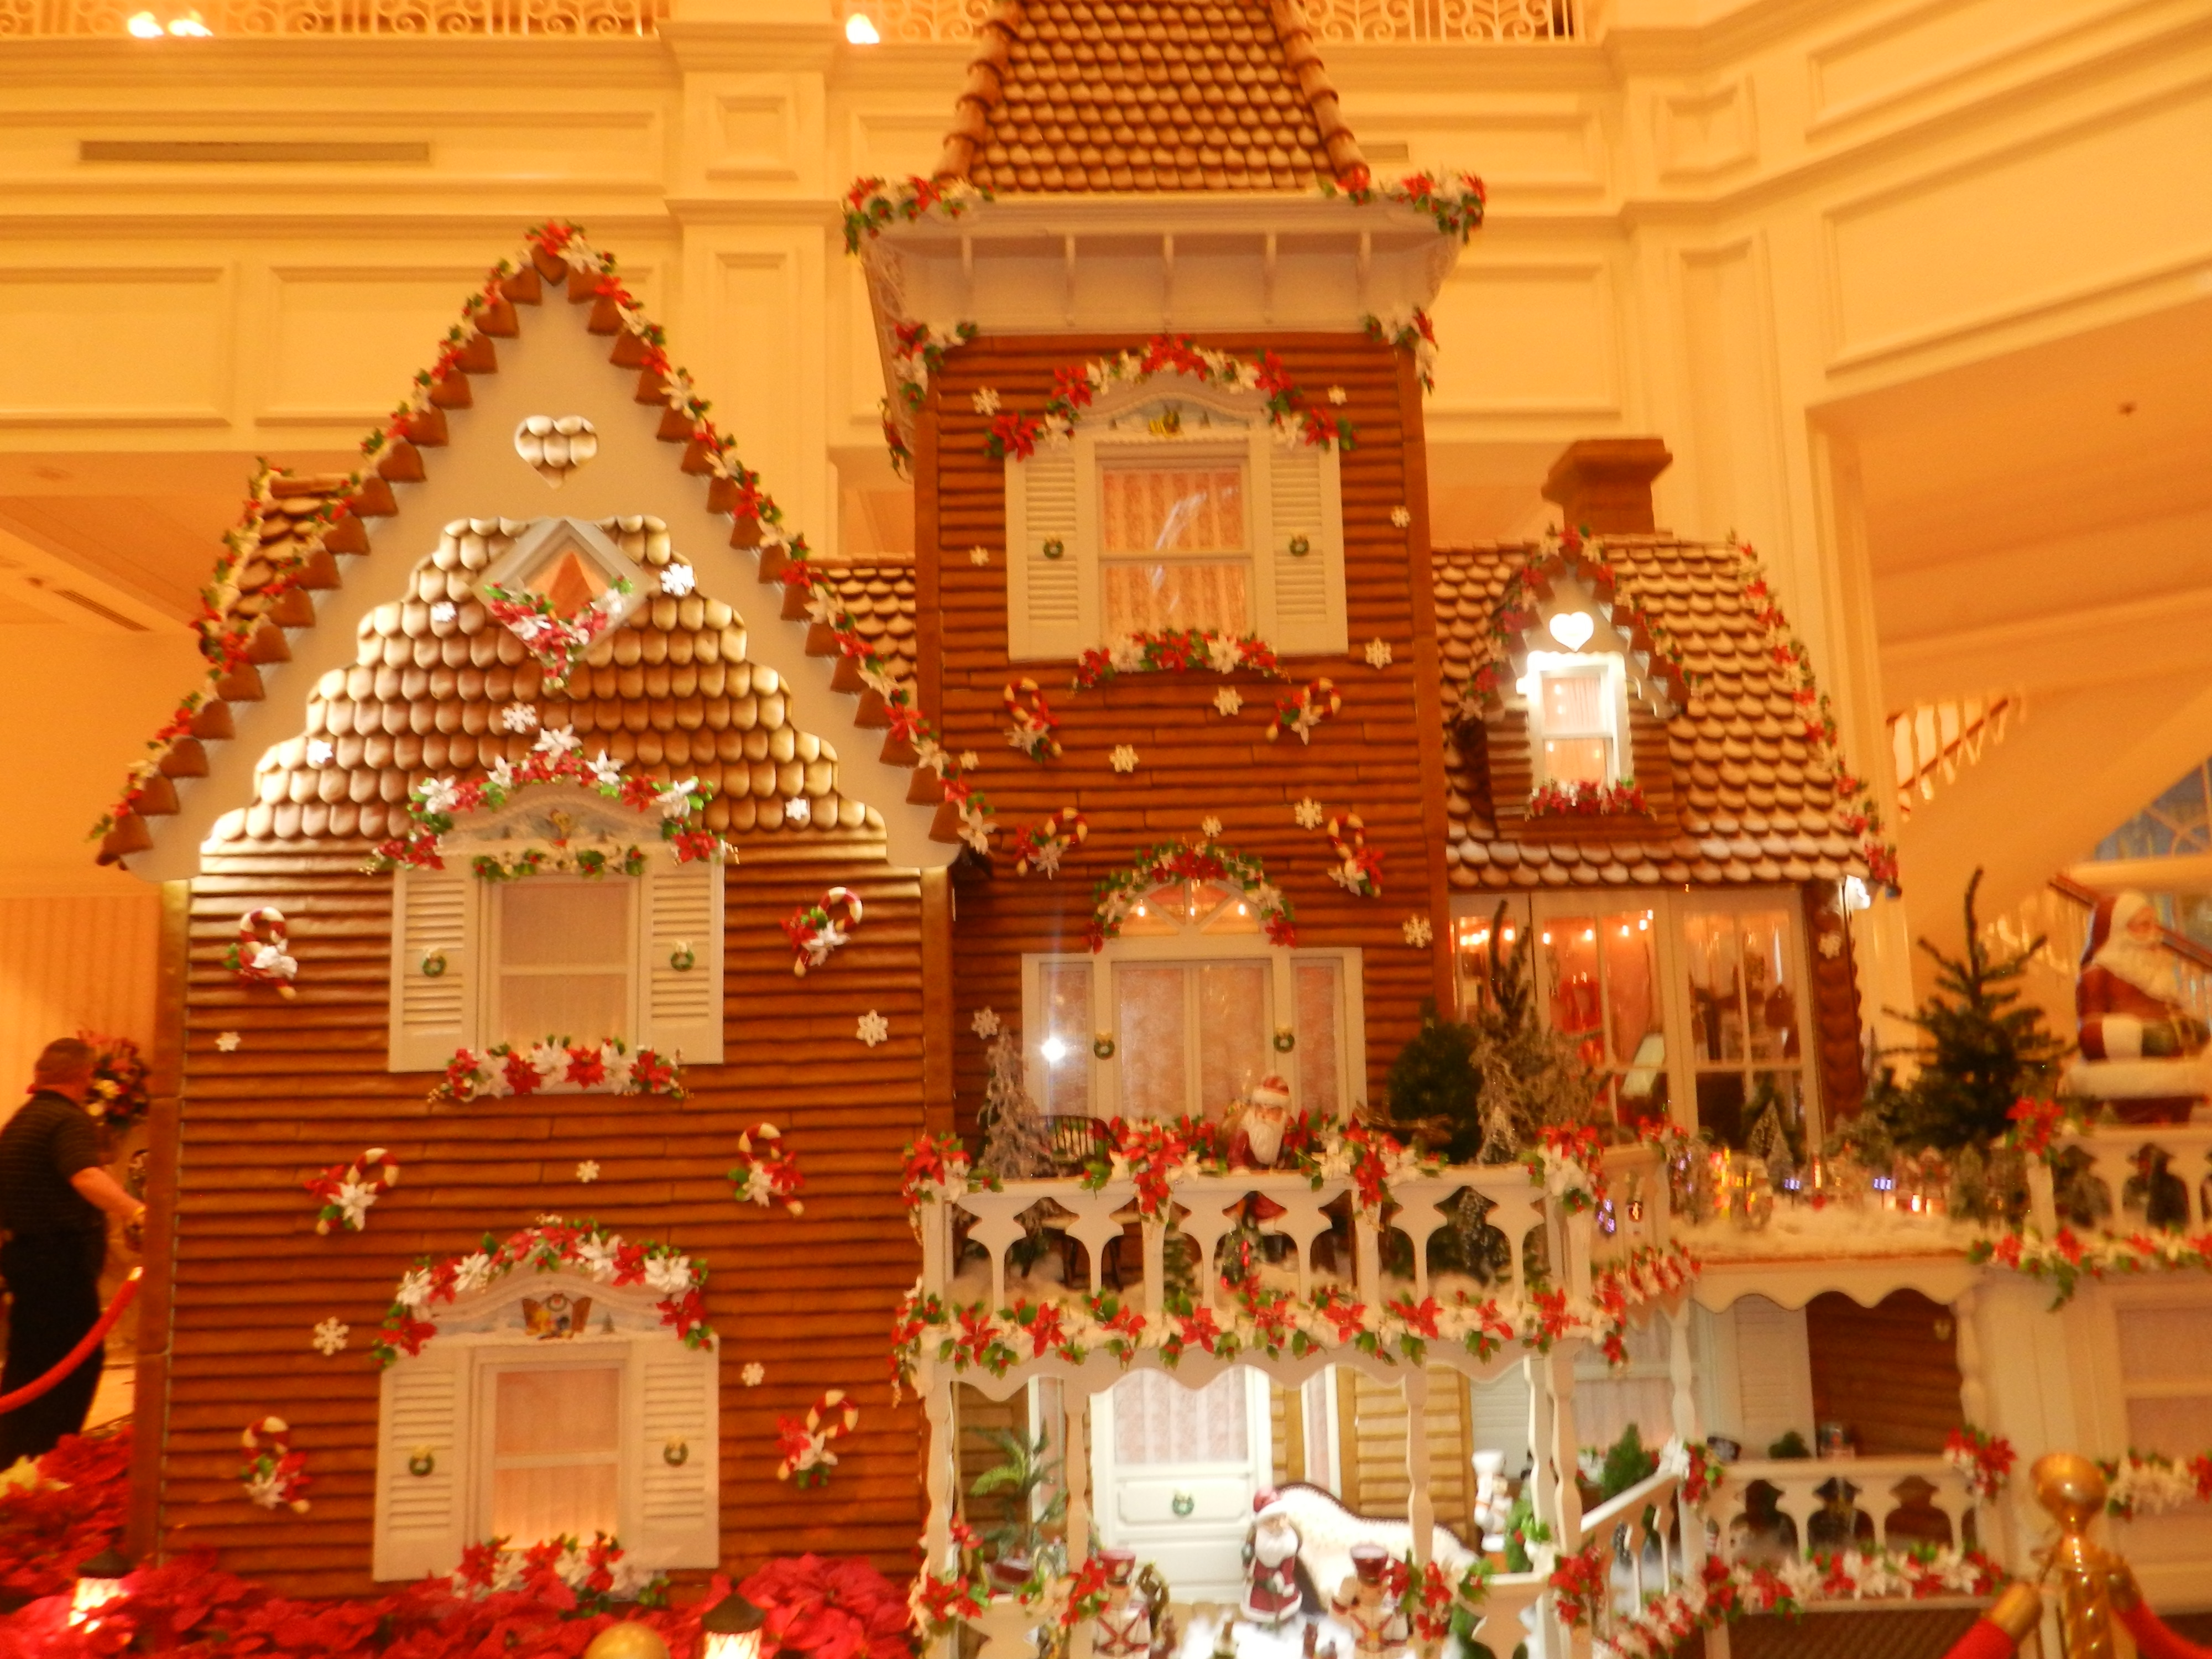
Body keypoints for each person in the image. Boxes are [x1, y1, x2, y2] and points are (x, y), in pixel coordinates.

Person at [0, 1037, 146, 1465]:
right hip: (58, 1262)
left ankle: (14, 1455)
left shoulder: (21, 1122)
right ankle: (53, 1454)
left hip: (24, 1256)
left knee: (30, 1361)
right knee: (76, 1361)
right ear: (85, 1076)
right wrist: (137, 1210)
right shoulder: (66, 1120)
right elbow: (84, 1176)